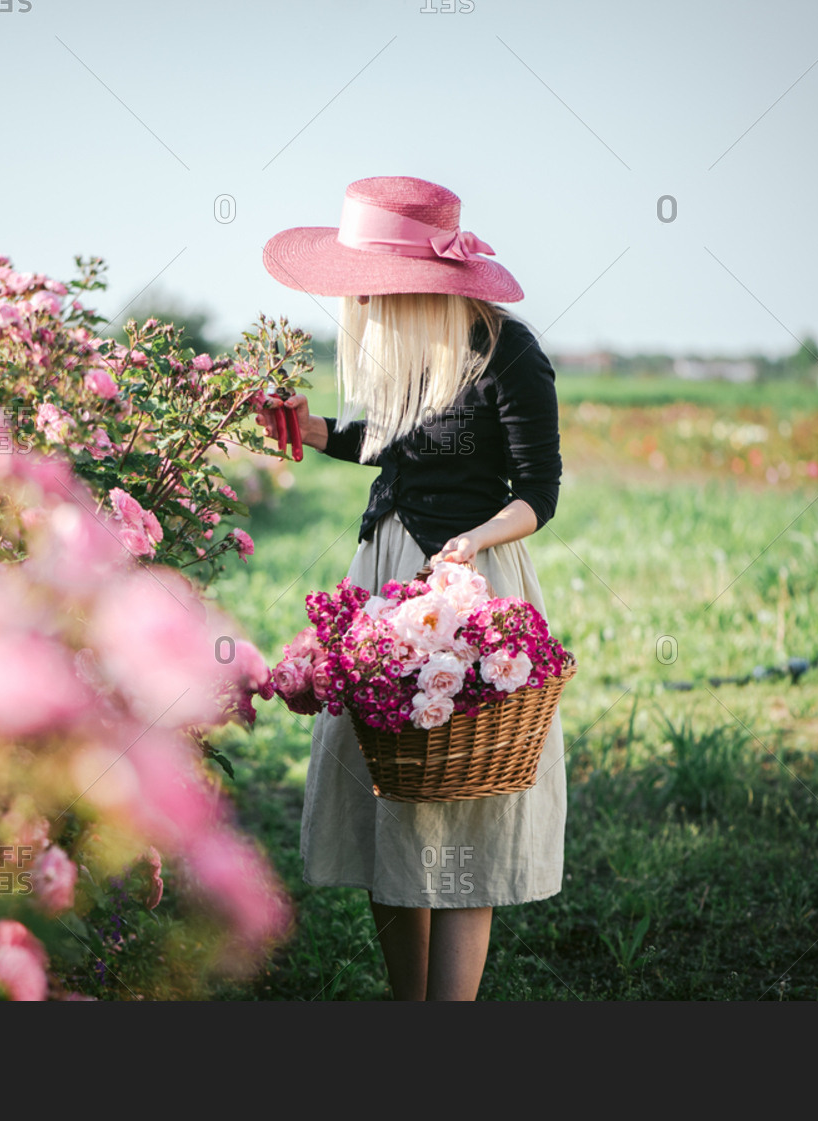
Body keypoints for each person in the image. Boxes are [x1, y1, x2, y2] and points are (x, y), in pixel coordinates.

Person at [258, 176, 566, 1001]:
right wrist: (314, 428)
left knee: (464, 797)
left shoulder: (508, 352)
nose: (360, 303)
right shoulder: (405, 350)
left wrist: (472, 541)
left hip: (469, 590)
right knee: (389, 792)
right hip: (385, 577)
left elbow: (540, 490)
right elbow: (390, 444)